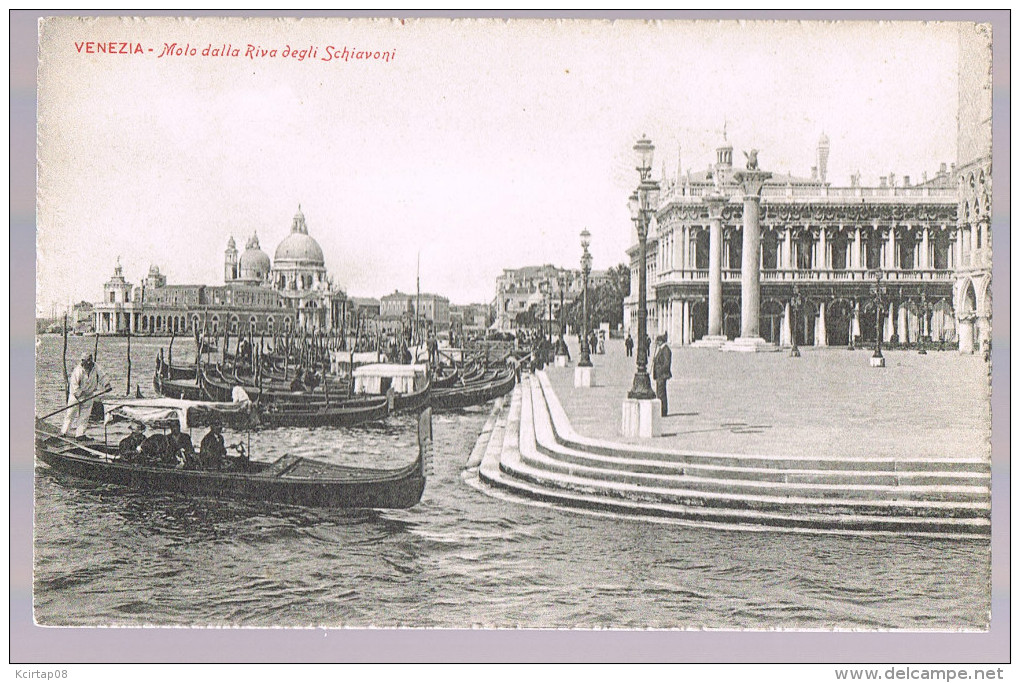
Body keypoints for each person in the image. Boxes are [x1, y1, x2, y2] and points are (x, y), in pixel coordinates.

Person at [61, 353, 112, 440]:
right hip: (75, 396)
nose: (88, 363)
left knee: (85, 416)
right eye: (86, 361)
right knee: (70, 414)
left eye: (90, 360)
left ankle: (79, 435)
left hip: (89, 395)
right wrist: (81, 396)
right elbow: (74, 386)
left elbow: (102, 377)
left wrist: (106, 385)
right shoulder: (78, 371)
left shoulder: (96, 367)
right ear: (82, 361)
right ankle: (63, 433)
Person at [652, 334, 672, 418]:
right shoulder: (661, 349)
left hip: (662, 375)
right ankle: (661, 410)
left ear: (661, 341)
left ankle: (663, 411)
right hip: (659, 375)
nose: (656, 343)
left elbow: (666, 363)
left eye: (657, 341)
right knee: (659, 392)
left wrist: (659, 370)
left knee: (661, 393)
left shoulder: (666, 350)